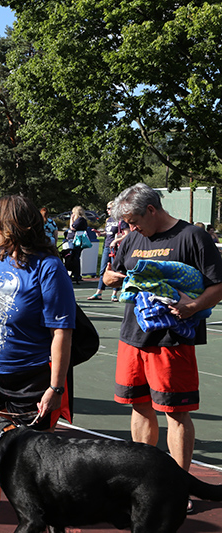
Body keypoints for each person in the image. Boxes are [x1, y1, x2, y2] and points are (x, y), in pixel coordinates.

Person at [102, 183, 222, 514]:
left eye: (135, 220)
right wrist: (112, 278)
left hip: (173, 342)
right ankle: (144, 482)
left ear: (152, 210)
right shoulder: (131, 239)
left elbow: (218, 285)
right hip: (133, 338)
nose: (131, 228)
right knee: (139, 407)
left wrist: (193, 307)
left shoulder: (193, 237)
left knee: (175, 412)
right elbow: (116, 274)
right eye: (126, 223)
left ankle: (177, 487)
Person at [0, 195, 75, 532]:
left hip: (30, 381)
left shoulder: (49, 268)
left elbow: (62, 331)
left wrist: (55, 387)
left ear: (12, 228)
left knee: (34, 467)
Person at [88, 201, 119, 301]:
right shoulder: (109, 220)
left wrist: (116, 240)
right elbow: (108, 233)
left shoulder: (120, 220)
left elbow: (125, 234)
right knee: (103, 269)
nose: (107, 210)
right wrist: (101, 234)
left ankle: (114, 293)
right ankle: (99, 292)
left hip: (116, 248)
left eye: (109, 208)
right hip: (107, 246)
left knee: (115, 269)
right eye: (107, 208)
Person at [65, 205, 88, 283]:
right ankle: (75, 274)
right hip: (74, 240)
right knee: (74, 257)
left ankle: (76, 275)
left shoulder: (80, 220)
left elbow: (72, 227)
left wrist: (71, 219)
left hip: (77, 241)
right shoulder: (80, 220)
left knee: (75, 257)